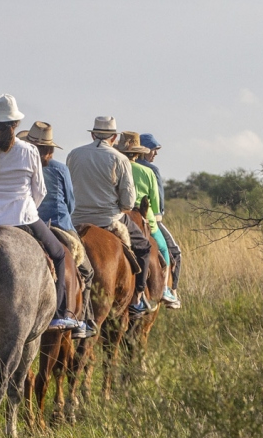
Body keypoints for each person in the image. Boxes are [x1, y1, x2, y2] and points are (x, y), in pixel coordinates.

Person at [0, 95, 83, 331]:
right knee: (58, 254)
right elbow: (39, 191)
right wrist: (27, 208)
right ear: (16, 124)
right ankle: (58, 315)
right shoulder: (30, 151)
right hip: (23, 217)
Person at [67, 117, 154, 313]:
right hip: (108, 219)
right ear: (114, 137)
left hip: (76, 219)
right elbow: (128, 201)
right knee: (144, 247)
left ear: (92, 134)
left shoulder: (74, 154)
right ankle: (138, 297)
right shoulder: (119, 159)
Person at [18, 121, 94, 338]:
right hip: (60, 223)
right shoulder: (60, 168)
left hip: (25, 223)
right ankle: (82, 320)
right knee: (87, 271)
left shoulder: (21, 165)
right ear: (49, 149)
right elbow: (70, 202)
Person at [116, 131, 174, 305]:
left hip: (118, 215)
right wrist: (156, 217)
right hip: (144, 217)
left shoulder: (115, 167)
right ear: (138, 152)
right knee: (163, 248)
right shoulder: (148, 171)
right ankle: (164, 289)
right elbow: (155, 203)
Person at [137, 133, 182, 308]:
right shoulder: (151, 170)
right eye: (153, 150)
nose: (155, 154)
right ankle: (170, 290)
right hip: (148, 216)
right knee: (173, 251)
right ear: (143, 150)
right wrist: (158, 215)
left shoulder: (121, 164)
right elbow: (158, 201)